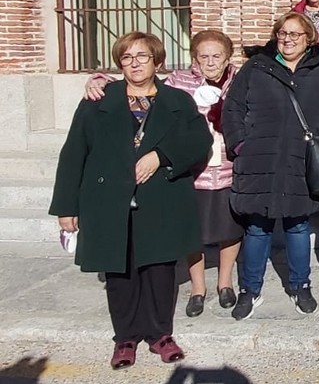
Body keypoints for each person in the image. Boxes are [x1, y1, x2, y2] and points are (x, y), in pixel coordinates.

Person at [50, 32, 212, 370]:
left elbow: (200, 142)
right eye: (127, 57)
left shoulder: (177, 101)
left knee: (159, 271)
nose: (135, 63)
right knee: (119, 274)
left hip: (161, 199)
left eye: (142, 56)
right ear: (119, 63)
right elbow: (73, 153)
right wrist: (66, 207)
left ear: (157, 61)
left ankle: (160, 335)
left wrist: (161, 156)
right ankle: (125, 338)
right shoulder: (98, 100)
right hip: (108, 201)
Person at [81, 30, 246, 318]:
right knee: (192, 229)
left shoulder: (241, 80)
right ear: (194, 58)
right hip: (189, 169)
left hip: (231, 166)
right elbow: (141, 88)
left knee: (229, 227)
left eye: (216, 56)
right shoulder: (179, 82)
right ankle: (197, 288)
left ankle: (225, 282)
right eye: (203, 56)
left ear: (227, 57)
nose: (210, 61)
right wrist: (99, 79)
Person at [222, 11, 319, 321]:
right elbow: (233, 109)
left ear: (308, 39)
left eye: (295, 34)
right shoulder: (256, 67)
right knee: (257, 227)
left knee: (298, 225)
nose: (287, 39)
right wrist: (241, 144)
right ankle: (249, 290)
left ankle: (300, 286)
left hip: (302, 160)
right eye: (283, 33)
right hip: (259, 160)